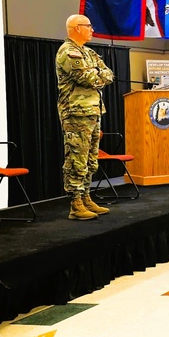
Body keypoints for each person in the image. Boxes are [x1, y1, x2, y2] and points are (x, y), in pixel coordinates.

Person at [56, 14, 115, 220]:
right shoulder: (68, 51)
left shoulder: (88, 52)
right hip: (76, 113)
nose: (92, 29)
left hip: (93, 111)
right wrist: (97, 75)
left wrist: (98, 75)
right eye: (89, 26)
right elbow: (87, 78)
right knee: (76, 158)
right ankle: (75, 203)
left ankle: (86, 196)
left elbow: (109, 74)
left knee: (91, 159)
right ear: (77, 28)